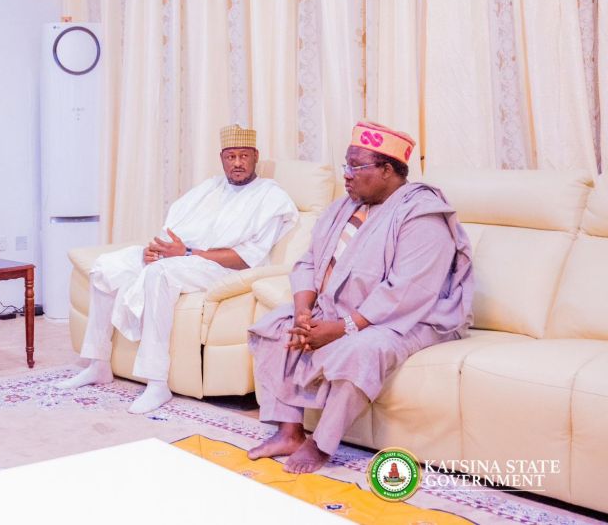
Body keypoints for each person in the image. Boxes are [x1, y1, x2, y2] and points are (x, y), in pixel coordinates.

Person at [246, 121, 473, 473]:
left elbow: (407, 292)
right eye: (346, 165)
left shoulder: (423, 214)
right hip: (344, 310)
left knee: (362, 350)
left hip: (412, 319)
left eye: (356, 166)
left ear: (387, 170)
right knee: (277, 326)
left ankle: (320, 444)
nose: (347, 175)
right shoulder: (343, 208)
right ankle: (289, 431)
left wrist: (342, 328)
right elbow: (309, 262)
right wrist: (304, 312)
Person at [57, 125, 298, 414]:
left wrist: (185, 253)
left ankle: (157, 382)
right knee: (106, 267)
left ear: (255, 156)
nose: (237, 163)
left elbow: (247, 258)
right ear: (221, 158)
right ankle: (98, 364)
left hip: (223, 269)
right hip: (183, 258)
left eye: (243, 156)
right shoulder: (209, 189)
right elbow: (174, 232)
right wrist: (155, 250)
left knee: (159, 274)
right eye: (231, 156)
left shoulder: (270, 197)